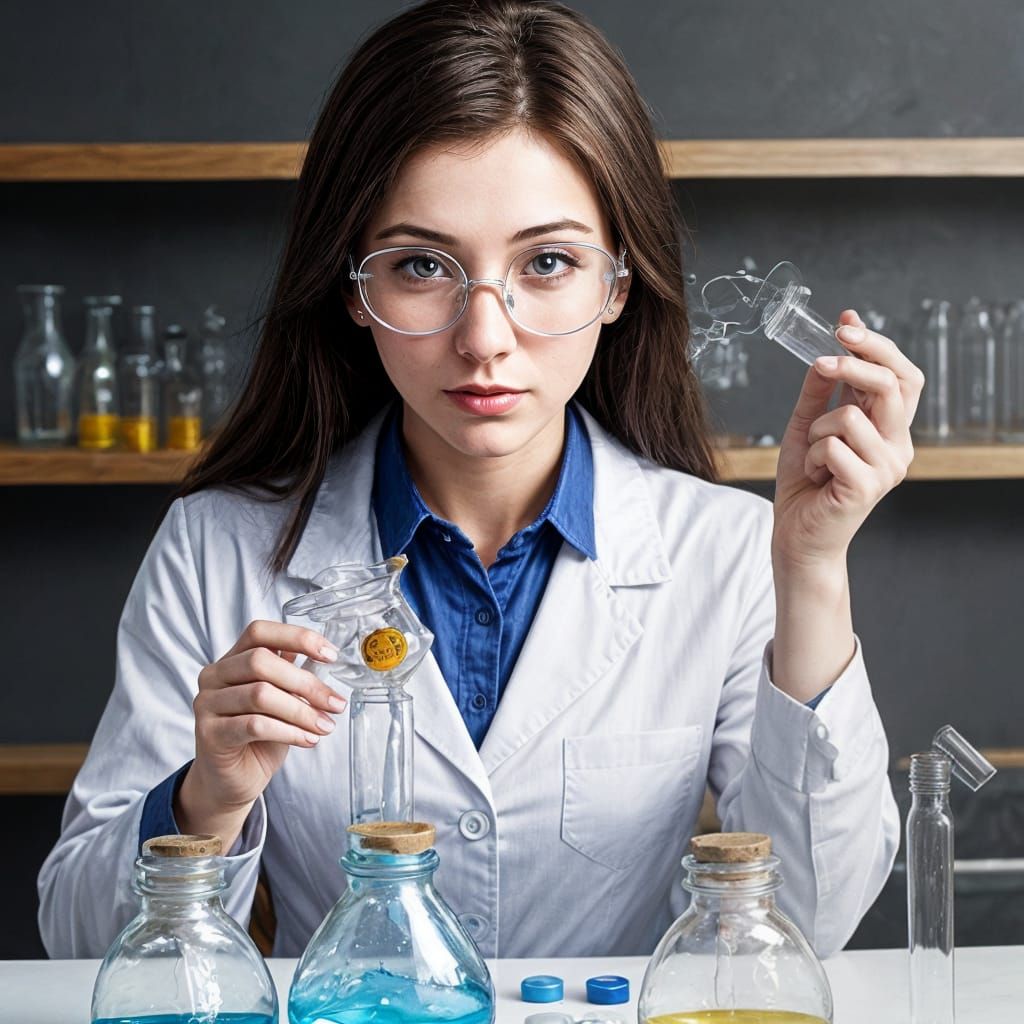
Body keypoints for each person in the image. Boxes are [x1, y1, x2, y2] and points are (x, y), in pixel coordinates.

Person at [39, 0, 919, 961]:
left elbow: (814, 918)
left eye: (547, 262)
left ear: (618, 283)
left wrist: (815, 567)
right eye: (422, 265)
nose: (484, 338)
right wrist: (206, 797)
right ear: (353, 288)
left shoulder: (728, 550)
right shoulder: (218, 548)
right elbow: (78, 941)